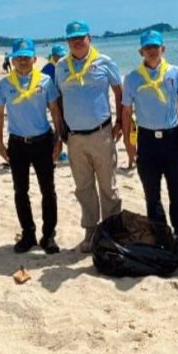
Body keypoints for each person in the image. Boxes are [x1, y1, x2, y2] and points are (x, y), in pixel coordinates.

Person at [122, 30, 178, 259]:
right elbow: (127, 112)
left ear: (163, 49)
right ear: (140, 51)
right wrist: (128, 141)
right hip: (146, 140)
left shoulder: (176, 73)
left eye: (156, 46)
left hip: (172, 138)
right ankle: (161, 238)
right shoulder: (133, 78)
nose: (152, 51)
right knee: (152, 194)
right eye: (148, 47)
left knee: (177, 192)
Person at [54, 20, 123, 253]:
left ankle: (112, 231)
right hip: (74, 137)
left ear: (89, 38)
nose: (77, 42)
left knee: (108, 186)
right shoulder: (61, 66)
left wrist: (121, 122)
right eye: (72, 38)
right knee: (83, 187)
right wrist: (61, 130)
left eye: (81, 37)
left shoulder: (104, 62)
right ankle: (91, 230)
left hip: (101, 133)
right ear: (67, 41)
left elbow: (119, 91)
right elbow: (58, 98)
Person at [0, 37, 64, 254]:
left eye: (27, 57)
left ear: (34, 59)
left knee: (48, 190)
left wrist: (59, 139)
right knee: (20, 191)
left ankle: (49, 235)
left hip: (43, 141)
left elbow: (55, 111)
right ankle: (28, 234)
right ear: (12, 60)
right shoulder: (5, 84)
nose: (23, 61)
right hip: (18, 143)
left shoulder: (45, 81)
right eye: (19, 58)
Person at [42, 43, 69, 163]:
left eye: (63, 55)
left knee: (64, 127)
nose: (61, 57)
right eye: (59, 56)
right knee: (59, 127)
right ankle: (57, 151)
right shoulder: (48, 69)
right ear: (53, 56)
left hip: (64, 101)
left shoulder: (63, 65)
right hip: (53, 102)